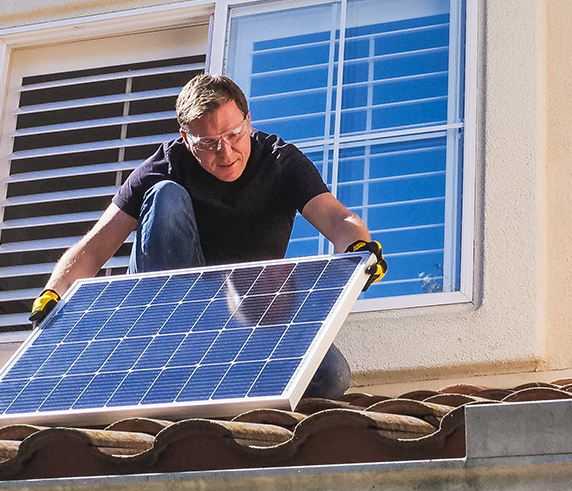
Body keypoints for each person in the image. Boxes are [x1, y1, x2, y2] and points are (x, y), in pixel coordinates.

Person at [26, 74, 386, 399]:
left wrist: (358, 249)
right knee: (165, 194)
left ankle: (226, 383)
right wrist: (53, 293)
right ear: (186, 138)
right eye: (209, 143)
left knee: (331, 376)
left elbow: (337, 218)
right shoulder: (162, 166)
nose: (226, 153)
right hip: (171, 313)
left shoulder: (280, 162)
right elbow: (93, 248)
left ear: (249, 121)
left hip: (246, 317)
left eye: (234, 136)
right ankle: (166, 350)